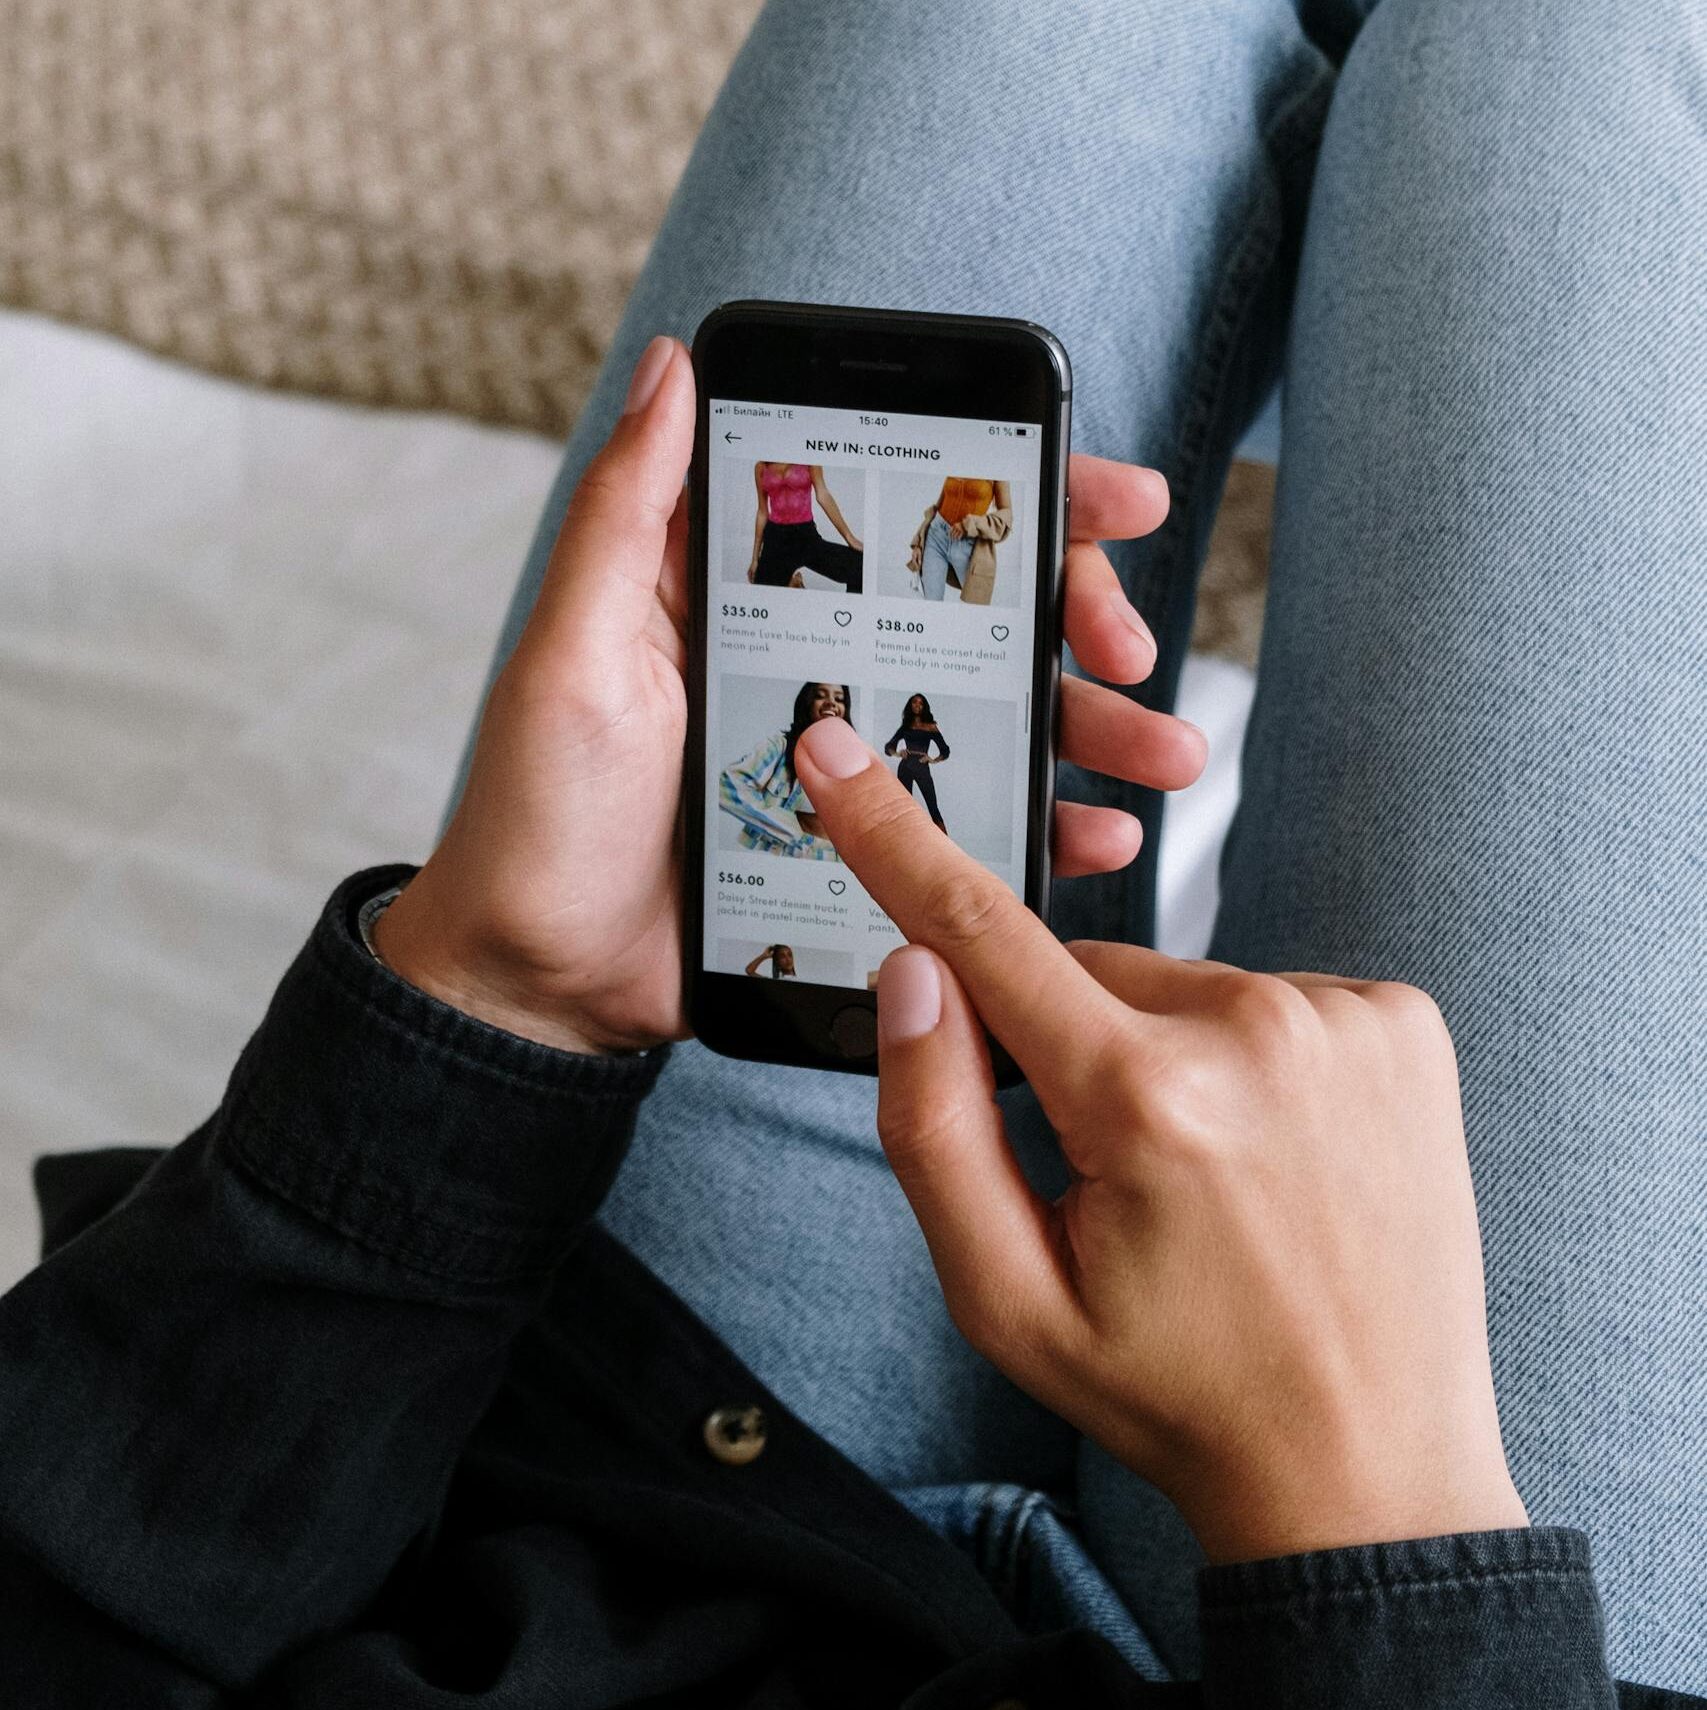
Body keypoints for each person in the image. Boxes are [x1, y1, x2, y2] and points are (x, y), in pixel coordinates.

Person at [3, 0, 1703, 1699]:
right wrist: (1388, 1538)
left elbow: (73, 1608)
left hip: (622, 1493)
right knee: (1556, 49)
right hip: (1432, 1608)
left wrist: (493, 998)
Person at [718, 680, 854, 861]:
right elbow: (726, 786)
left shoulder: (853, 762)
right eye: (820, 696)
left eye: (839, 699)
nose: (831, 702)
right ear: (806, 703)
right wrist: (790, 829)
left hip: (828, 858)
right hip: (772, 853)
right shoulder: (780, 746)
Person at [745, 461, 864, 591]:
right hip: (775, 539)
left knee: (860, 567)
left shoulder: (809, 461)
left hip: (805, 537)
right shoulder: (761, 466)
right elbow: (762, 512)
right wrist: (755, 558)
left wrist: (849, 537)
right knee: (761, 592)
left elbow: (823, 495)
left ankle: (851, 609)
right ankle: (792, 583)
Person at [908, 476, 1013, 602]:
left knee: (975, 605)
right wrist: (919, 543)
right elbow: (938, 507)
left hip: (968, 544)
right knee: (931, 601)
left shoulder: (997, 473)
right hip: (936, 537)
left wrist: (970, 524)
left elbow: (1006, 514)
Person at [885, 691, 951, 831]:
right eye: (915, 702)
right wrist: (897, 753)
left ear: (924, 707)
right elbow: (889, 746)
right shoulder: (905, 726)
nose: (917, 705)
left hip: (922, 766)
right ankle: (906, 843)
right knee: (905, 808)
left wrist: (933, 760)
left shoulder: (930, 726)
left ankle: (945, 845)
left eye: (921, 703)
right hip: (905, 766)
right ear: (910, 705)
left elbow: (945, 750)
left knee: (933, 807)